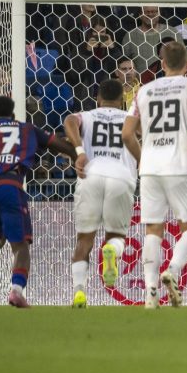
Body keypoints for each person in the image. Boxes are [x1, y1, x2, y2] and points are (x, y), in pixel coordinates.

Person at [121, 42, 187, 308]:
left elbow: (126, 134)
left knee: (153, 228)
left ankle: (150, 292)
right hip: (180, 165)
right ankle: (174, 270)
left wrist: (143, 159)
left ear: (162, 64)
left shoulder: (143, 91)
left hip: (151, 169)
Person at [0, 96, 77, 307]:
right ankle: (16, 291)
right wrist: (79, 154)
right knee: (20, 246)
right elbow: (59, 145)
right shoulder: (28, 129)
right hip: (10, 187)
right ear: (13, 115)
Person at [62, 79, 138, 308]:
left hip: (90, 175)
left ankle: (79, 291)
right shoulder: (129, 119)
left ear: (98, 98)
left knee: (84, 240)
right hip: (122, 177)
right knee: (116, 235)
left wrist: (79, 150)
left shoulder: (86, 115)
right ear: (123, 100)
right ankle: (111, 250)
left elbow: (69, 121)